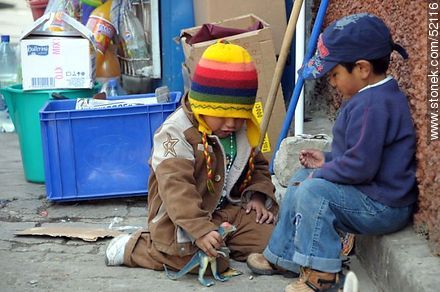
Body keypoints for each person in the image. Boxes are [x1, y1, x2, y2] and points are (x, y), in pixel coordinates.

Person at [246, 13, 417, 292]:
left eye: (335, 74)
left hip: (383, 205)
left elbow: (361, 166)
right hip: (370, 192)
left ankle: (322, 275)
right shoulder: (367, 96)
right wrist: (328, 160)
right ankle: (284, 256)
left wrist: (325, 172)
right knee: (302, 178)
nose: (332, 83)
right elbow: (361, 156)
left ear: (362, 68)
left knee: (314, 192)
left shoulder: (372, 106)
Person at [105, 41, 279, 273]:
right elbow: (176, 189)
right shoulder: (176, 133)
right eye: (222, 115)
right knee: (204, 263)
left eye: (239, 115)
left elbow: (257, 166)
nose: (231, 123)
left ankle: (223, 241)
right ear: (201, 105)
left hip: (227, 212)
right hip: (180, 218)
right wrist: (200, 229)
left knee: (276, 245)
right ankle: (136, 248)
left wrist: (257, 196)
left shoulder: (242, 129)